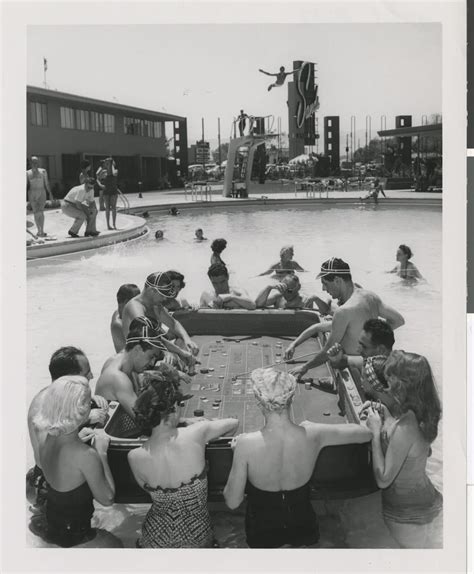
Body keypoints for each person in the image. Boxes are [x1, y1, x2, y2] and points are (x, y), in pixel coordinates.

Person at [223, 368, 372, 548]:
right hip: (304, 528)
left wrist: (236, 452)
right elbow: (366, 433)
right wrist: (371, 417)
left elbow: (232, 502)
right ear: (291, 399)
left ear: (259, 402)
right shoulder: (314, 433)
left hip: (262, 532)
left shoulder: (245, 444)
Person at [128, 365, 238, 548]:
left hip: (153, 539)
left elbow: (149, 493)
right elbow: (234, 423)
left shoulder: (134, 456)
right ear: (173, 409)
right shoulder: (197, 433)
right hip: (197, 538)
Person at [361, 351, 443, 548]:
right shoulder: (422, 411)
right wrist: (384, 412)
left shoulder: (405, 427)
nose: (387, 387)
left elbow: (383, 479)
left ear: (401, 384)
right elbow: (417, 451)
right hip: (426, 502)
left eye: (390, 380)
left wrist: (375, 431)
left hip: (406, 515)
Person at [30, 375, 120, 548]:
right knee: (118, 545)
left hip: (52, 521)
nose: (91, 405)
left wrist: (77, 436)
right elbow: (108, 499)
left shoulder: (43, 433)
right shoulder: (85, 455)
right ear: (77, 409)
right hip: (78, 534)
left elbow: (62, 457)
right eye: (88, 402)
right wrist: (100, 452)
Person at [289, 258, 405, 380]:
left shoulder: (344, 311)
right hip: (376, 369)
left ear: (338, 280)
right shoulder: (370, 296)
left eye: (325, 284)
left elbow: (327, 350)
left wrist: (304, 367)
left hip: (358, 374)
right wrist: (376, 336)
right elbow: (398, 320)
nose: (323, 289)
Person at [27, 347, 109, 511]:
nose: (92, 376)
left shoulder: (56, 397)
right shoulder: (41, 407)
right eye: (86, 373)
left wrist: (88, 398)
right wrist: (86, 418)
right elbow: (47, 454)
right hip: (48, 486)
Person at [121, 271, 199, 357]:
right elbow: (150, 336)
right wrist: (180, 352)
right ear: (152, 291)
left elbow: (173, 324)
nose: (165, 298)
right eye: (162, 295)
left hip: (153, 352)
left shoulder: (155, 305)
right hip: (137, 358)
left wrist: (187, 340)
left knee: (182, 341)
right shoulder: (135, 306)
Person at [255, 273, 329, 311]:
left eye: (289, 291)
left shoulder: (305, 300)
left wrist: (317, 299)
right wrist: (269, 287)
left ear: (298, 288)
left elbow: (325, 311)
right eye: (284, 290)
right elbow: (258, 304)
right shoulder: (278, 297)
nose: (286, 294)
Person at [26, 156, 54, 237]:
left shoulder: (43, 171)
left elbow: (47, 183)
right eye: (33, 162)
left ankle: (42, 230)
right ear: (30, 163)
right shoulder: (27, 173)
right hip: (32, 193)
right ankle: (39, 231)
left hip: (42, 192)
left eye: (36, 162)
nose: (35, 164)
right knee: (36, 212)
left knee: (41, 212)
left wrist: (50, 194)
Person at [110, 283, 141, 352]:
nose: (139, 304)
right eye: (137, 301)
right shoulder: (119, 324)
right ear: (127, 302)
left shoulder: (118, 313)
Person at [103, 157, 119, 230]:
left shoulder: (115, 170)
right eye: (106, 163)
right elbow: (98, 177)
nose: (107, 164)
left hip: (113, 192)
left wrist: (111, 164)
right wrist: (101, 185)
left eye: (108, 163)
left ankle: (114, 224)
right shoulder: (103, 172)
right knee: (107, 208)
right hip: (106, 191)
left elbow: (113, 173)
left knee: (114, 208)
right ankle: (108, 225)